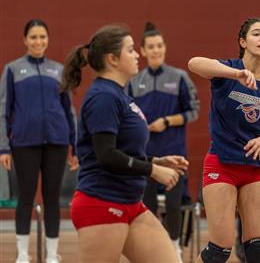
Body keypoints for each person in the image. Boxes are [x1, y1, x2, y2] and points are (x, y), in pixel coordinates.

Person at [61, 24, 189, 263]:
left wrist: (155, 160)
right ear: (113, 59)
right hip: (101, 202)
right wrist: (152, 170)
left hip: (131, 202)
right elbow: (106, 155)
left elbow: (122, 151)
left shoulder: (118, 94)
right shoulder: (103, 97)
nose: (137, 54)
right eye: (131, 50)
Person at [188, 17, 260, 263]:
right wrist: (235, 73)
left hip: (256, 169)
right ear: (243, 42)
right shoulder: (227, 71)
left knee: (258, 248)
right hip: (222, 165)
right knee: (220, 249)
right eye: (256, 34)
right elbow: (194, 63)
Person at [0, 19, 78, 263]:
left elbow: (69, 111)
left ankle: (52, 255)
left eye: (42, 37)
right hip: (24, 144)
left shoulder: (59, 70)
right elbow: (4, 108)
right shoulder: (12, 69)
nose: (38, 42)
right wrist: (3, 146)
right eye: (33, 37)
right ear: (25, 40)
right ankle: (23, 254)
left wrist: (74, 146)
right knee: (25, 196)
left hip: (56, 142)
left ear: (48, 39)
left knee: (52, 198)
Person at [129, 21, 200, 262]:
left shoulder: (179, 78)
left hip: (174, 154)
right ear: (143, 50)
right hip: (146, 156)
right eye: (151, 46)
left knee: (173, 206)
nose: (156, 50)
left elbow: (194, 111)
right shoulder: (133, 81)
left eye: (160, 45)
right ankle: (152, 251)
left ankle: (175, 250)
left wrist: (167, 121)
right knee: (147, 208)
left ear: (165, 48)